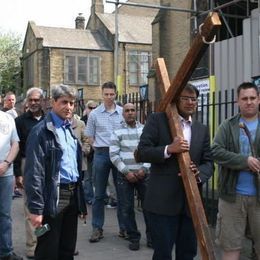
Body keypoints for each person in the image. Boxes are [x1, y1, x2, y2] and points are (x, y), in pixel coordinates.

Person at [136, 84, 214, 260]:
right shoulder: (158, 120)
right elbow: (142, 152)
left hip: (190, 203)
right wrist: (168, 149)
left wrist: (198, 173)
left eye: (193, 99)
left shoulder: (201, 129)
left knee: (187, 253)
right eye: (185, 98)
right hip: (163, 202)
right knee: (163, 253)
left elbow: (209, 162)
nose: (190, 102)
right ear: (176, 100)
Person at [24, 84, 87, 260]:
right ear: (53, 102)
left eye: (72, 103)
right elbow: (34, 173)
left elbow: (75, 169)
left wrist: (80, 202)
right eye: (64, 102)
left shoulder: (70, 129)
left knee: (67, 248)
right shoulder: (41, 132)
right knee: (48, 250)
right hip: (53, 195)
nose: (68, 107)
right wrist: (36, 209)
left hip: (72, 194)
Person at [211, 82, 260, 260]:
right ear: (237, 101)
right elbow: (215, 151)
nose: (249, 102)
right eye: (244, 98)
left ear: (259, 99)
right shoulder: (228, 125)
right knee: (230, 246)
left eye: (252, 98)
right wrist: (244, 161)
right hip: (232, 196)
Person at [85, 81, 125, 242]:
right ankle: (97, 228)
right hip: (101, 154)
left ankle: (124, 228)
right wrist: (96, 148)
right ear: (102, 94)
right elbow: (89, 134)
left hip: (119, 154)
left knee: (122, 194)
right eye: (106, 94)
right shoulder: (94, 114)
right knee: (99, 194)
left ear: (116, 94)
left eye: (111, 94)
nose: (109, 97)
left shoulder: (122, 112)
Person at [109, 103, 151, 251]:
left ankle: (151, 237)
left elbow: (150, 151)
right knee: (127, 208)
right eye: (127, 111)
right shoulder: (117, 131)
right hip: (124, 176)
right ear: (123, 114)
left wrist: (144, 169)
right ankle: (133, 237)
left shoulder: (145, 129)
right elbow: (113, 155)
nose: (130, 113)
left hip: (143, 175)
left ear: (136, 112)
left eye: (132, 110)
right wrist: (126, 172)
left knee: (149, 207)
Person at [14, 87, 45, 259]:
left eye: (37, 100)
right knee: (30, 207)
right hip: (28, 165)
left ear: (43, 101)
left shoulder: (49, 119)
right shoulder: (20, 122)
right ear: (27, 101)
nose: (33, 103)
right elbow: (17, 148)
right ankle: (32, 247)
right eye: (31, 100)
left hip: (48, 166)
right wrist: (18, 173)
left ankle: (48, 242)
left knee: (49, 206)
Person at [0, 110, 22, 260]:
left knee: (5, 214)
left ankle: (6, 251)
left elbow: (15, 143)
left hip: (5, 173)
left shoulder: (8, 118)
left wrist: (6, 163)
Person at [81, 100, 97, 205]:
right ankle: (89, 197)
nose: (92, 110)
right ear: (86, 109)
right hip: (87, 155)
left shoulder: (98, 120)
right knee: (87, 177)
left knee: (98, 177)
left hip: (98, 152)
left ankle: (100, 197)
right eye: (90, 108)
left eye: (94, 108)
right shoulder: (82, 122)